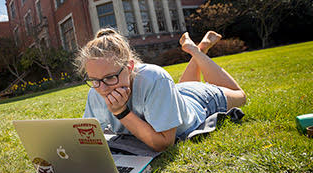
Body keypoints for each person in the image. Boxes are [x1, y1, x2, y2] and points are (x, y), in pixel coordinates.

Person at [75, 28, 246, 152]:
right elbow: (89, 137)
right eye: (95, 80)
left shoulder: (155, 78)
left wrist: (121, 112)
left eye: (110, 77)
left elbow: (164, 143)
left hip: (200, 100)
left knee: (241, 96)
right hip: (173, 96)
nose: (103, 88)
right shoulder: (96, 91)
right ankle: (198, 49)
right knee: (176, 95)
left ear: (129, 67)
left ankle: (196, 50)